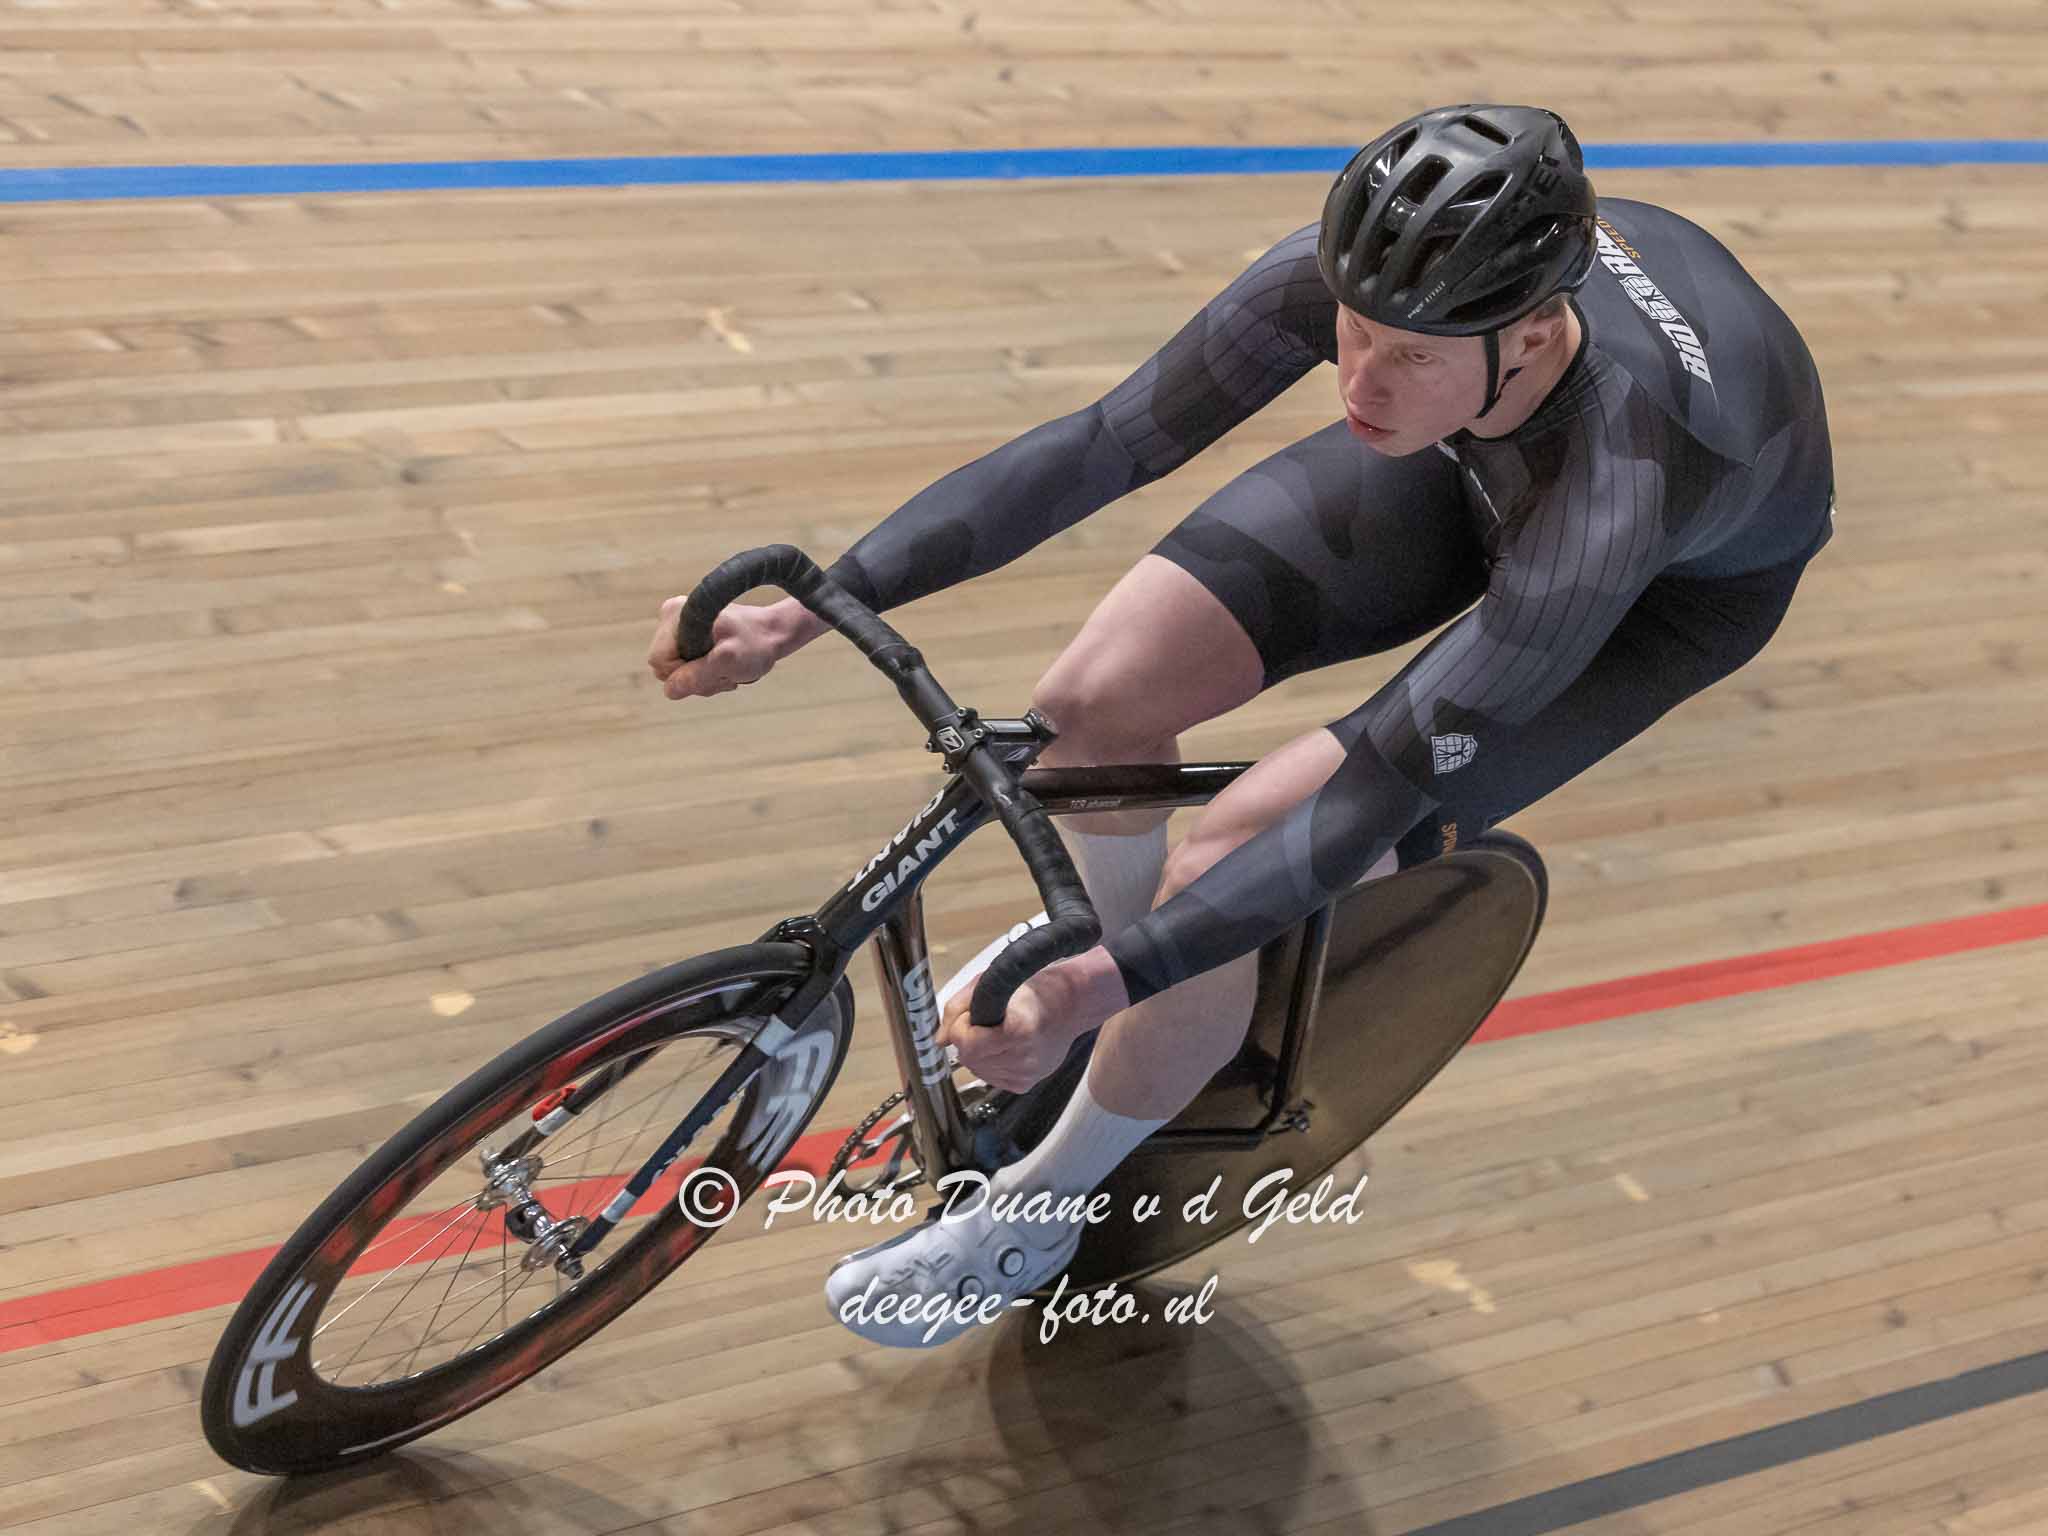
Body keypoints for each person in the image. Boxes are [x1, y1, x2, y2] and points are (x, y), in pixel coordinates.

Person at [646, 103, 1834, 1346]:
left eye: (1403, 355)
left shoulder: (1611, 493)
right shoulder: (1402, 301)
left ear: (1533, 331)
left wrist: (1100, 983)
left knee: (1228, 860)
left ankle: (1042, 1208)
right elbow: (1100, 445)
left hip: (1654, 592)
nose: (1357, 381)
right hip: (1468, 445)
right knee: (1091, 699)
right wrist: (807, 611)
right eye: (1351, 334)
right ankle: (1137, 976)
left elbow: (1371, 790)